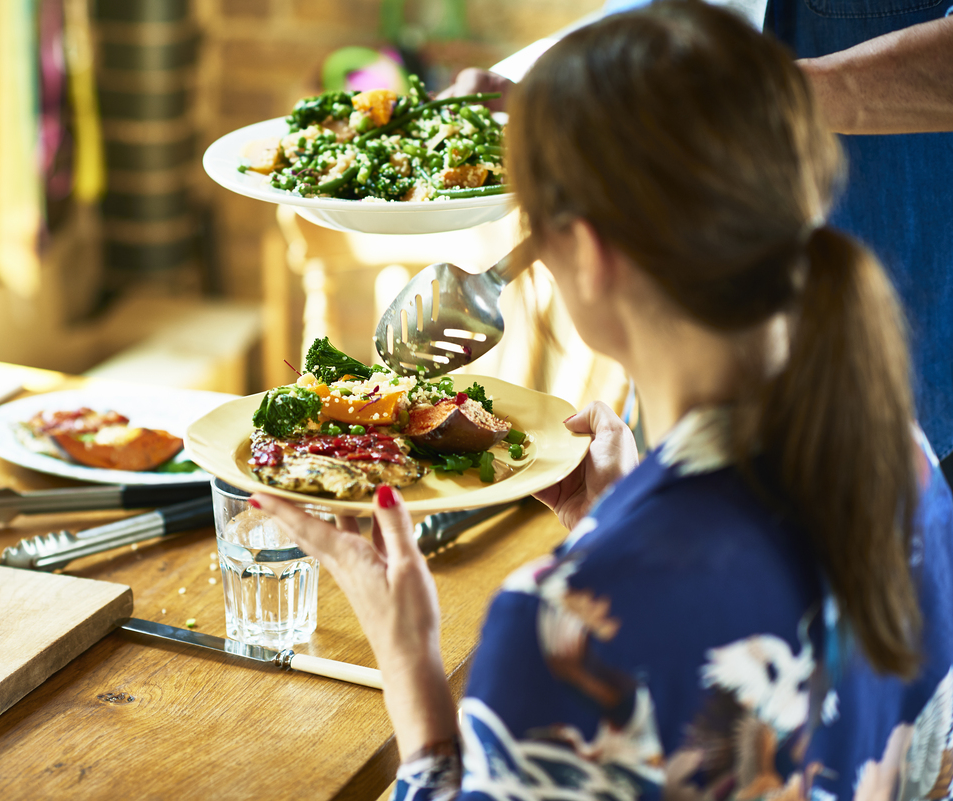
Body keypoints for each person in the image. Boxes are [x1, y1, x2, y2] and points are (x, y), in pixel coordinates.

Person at [252, 2, 953, 798]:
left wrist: (413, 672)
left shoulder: (561, 626)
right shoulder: (907, 464)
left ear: (584, 251)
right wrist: (623, 522)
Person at [445, 1, 953, 487]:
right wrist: (549, 85)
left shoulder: (583, 572)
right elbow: (656, 20)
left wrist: (734, 101)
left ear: (586, 252)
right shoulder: (914, 485)